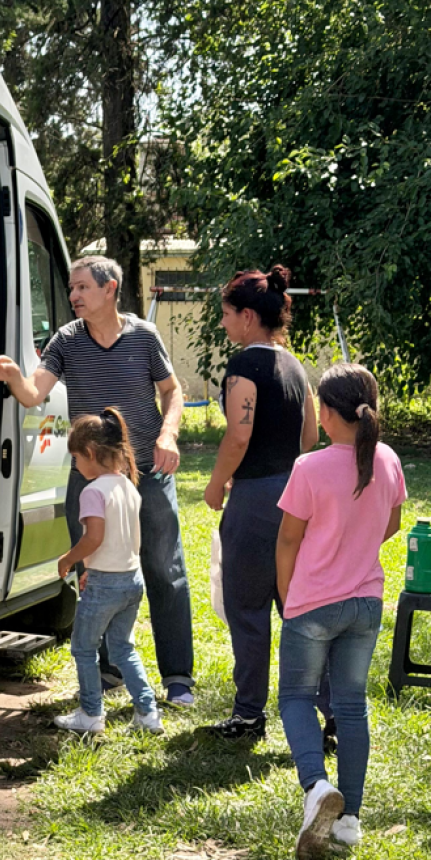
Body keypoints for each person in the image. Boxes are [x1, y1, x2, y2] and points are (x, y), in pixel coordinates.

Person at [0, 256, 195, 705]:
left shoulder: (143, 335)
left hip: (149, 470)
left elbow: (172, 391)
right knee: (94, 571)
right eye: (71, 288)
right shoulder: (66, 339)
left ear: (110, 289)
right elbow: (32, 395)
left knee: (164, 569)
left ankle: (178, 679)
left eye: (82, 287)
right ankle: (107, 671)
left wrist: (168, 433)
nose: (74, 296)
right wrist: (11, 377)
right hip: (92, 478)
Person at [276, 364, 405, 858]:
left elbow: (288, 539)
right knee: (351, 706)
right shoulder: (388, 460)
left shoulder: (309, 467)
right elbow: (389, 524)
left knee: (295, 698)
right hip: (365, 603)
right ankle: (350, 818)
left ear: (327, 413)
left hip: (312, 603)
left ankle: (315, 787)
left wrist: (289, 600)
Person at [203, 266, 318, 739]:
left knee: (248, 610)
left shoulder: (244, 365)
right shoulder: (294, 365)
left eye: (227, 315)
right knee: (303, 608)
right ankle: (327, 714)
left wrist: (216, 485)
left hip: (253, 502)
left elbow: (238, 434)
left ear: (248, 317)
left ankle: (249, 713)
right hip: (297, 495)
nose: (225, 324)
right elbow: (310, 435)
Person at [54, 407, 163, 734]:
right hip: (131, 579)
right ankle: (148, 713)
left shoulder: (92, 491)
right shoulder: (129, 486)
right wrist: (94, 568)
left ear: (89, 453)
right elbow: (119, 539)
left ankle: (90, 714)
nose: (75, 465)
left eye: (75, 458)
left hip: (106, 586)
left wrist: (69, 559)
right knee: (123, 648)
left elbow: (95, 537)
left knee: (84, 647)